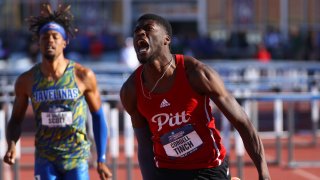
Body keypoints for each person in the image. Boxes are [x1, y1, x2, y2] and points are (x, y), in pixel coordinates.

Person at [120, 13, 271, 180]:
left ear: (166, 39)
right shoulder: (131, 90)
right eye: (136, 31)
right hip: (167, 170)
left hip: (208, 168)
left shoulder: (196, 74)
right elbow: (145, 146)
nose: (140, 33)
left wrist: (264, 173)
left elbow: (242, 122)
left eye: (148, 29)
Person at [3, 3, 112, 180]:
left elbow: (98, 117)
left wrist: (101, 158)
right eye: (45, 37)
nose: (50, 41)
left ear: (65, 41)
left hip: (76, 157)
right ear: (38, 42)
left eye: (55, 36)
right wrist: (12, 144)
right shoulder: (27, 80)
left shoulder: (82, 75)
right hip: (46, 157)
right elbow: (16, 119)